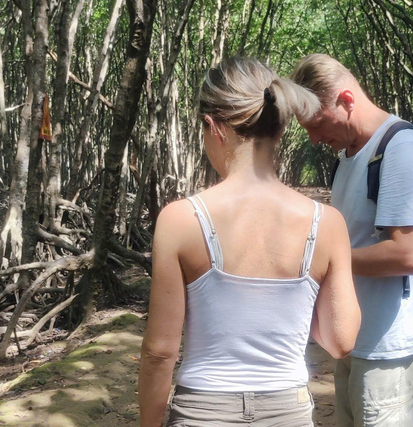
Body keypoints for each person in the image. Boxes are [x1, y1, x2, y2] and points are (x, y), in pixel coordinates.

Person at [138, 57, 361, 427]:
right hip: (287, 412)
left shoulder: (180, 220)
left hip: (202, 412)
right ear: (279, 128)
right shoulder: (327, 224)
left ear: (213, 126)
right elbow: (342, 341)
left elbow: (161, 351)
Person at [291, 54, 413, 427]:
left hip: (389, 343)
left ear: (346, 101)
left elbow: (409, 254)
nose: (313, 138)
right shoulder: (349, 155)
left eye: (317, 124)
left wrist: (327, 261)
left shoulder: (402, 149)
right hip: (354, 334)